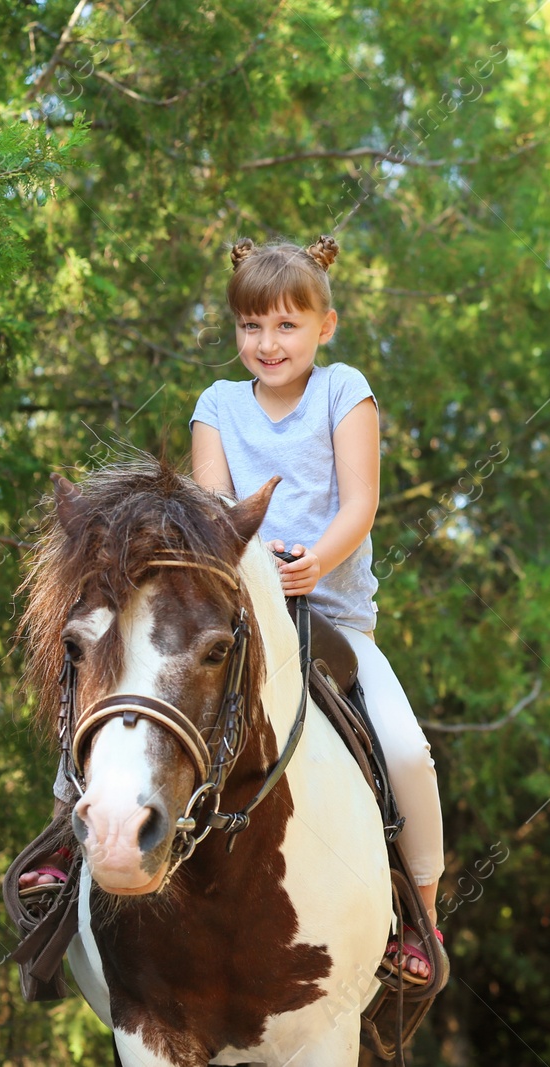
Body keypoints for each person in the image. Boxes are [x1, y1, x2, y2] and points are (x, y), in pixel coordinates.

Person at [188, 234, 444, 983]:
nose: (267, 344)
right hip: (241, 618)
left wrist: (313, 564)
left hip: (334, 620)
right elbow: (211, 510)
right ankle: (68, 843)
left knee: (406, 752)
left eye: (286, 325)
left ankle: (421, 917)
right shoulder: (216, 404)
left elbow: (361, 500)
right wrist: (249, 564)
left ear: (323, 328)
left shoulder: (343, 390)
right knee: (137, 687)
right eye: (250, 327)